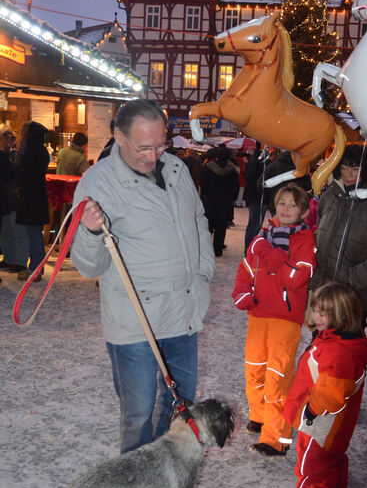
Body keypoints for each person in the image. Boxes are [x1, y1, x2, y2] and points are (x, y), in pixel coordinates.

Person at [70, 99, 215, 454]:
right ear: (119, 136)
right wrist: (89, 232)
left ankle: (166, 486)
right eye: (144, 147)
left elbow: (198, 219)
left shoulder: (178, 170)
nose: (154, 156)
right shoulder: (97, 183)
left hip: (183, 314)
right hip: (136, 323)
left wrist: (203, 274)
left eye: (160, 145)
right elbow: (88, 266)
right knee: (137, 416)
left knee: (179, 410)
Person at [232, 183, 316, 457]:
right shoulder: (264, 235)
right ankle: (259, 417)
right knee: (254, 371)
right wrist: (242, 292)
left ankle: (276, 438)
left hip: (285, 319)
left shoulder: (304, 240)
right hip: (258, 315)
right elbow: (247, 268)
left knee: (277, 378)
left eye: (293, 205)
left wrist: (272, 256)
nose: (286, 209)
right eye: (282, 204)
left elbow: (297, 278)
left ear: (303, 212)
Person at [283, 282, 367, 488]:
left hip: (321, 423)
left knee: (311, 465)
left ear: (342, 316)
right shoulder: (338, 341)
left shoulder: (338, 351)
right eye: (314, 310)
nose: (315, 317)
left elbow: (330, 394)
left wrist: (310, 412)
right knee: (332, 458)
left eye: (322, 314)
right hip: (334, 425)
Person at [311, 144, 367, 326]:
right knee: (321, 347)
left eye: (355, 169)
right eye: (344, 168)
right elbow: (319, 233)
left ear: (366, 170)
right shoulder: (330, 197)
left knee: (345, 350)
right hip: (323, 292)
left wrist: (352, 278)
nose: (348, 174)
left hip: (353, 297)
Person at [15, 121, 49, 282]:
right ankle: (36, 267)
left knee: (34, 233)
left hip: (31, 196)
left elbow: (19, 169)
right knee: (35, 232)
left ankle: (35, 269)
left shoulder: (30, 150)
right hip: (37, 196)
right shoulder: (40, 150)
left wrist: (19, 153)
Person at [200, 145, 240, 257]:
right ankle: (218, 249)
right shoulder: (232, 170)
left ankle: (206, 249)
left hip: (210, 203)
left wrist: (206, 196)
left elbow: (203, 185)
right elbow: (235, 188)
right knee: (221, 228)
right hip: (225, 203)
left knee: (208, 227)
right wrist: (231, 199)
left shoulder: (208, 167)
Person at [0, 124, 28, 273]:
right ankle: (9, 258)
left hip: (15, 197)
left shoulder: (18, 154)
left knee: (18, 230)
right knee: (7, 230)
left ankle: (20, 261)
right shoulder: (6, 154)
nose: (6, 141)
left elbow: (12, 174)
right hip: (6, 198)